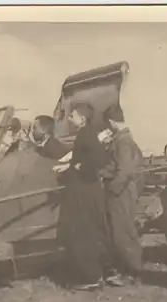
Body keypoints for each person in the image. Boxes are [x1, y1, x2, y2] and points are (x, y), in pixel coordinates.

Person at [60, 103, 123, 291]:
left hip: (84, 189)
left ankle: (91, 277)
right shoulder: (90, 132)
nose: (69, 119)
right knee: (96, 231)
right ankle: (107, 272)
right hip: (91, 188)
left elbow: (97, 158)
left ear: (82, 118)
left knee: (84, 232)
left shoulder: (85, 134)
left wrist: (81, 168)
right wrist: (72, 166)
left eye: (72, 116)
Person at [99, 104, 145, 285]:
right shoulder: (121, 139)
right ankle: (126, 269)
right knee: (118, 231)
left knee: (123, 231)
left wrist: (113, 189)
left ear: (111, 122)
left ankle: (133, 272)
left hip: (121, 190)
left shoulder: (123, 141)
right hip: (121, 188)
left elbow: (125, 170)